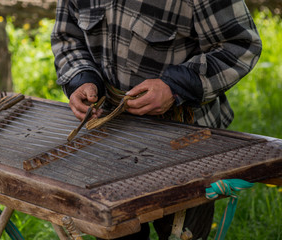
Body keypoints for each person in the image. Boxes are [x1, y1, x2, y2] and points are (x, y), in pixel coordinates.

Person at [51, 0, 262, 239]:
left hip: (185, 141)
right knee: (118, 231)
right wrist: (82, 78)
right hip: (109, 137)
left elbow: (242, 45)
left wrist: (174, 87)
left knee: (183, 232)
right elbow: (67, 37)